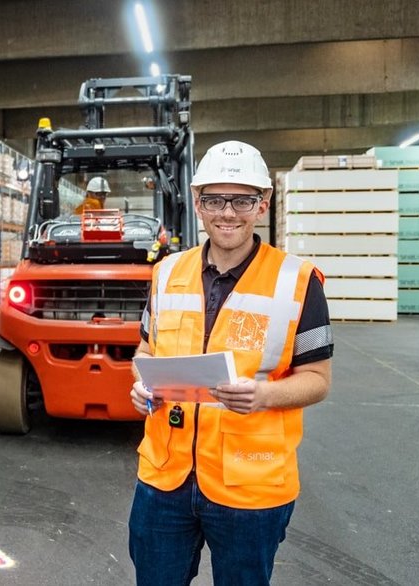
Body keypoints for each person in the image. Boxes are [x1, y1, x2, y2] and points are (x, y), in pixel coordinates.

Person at [128, 140, 333, 585]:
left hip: (251, 488)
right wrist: (141, 383)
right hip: (165, 480)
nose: (227, 213)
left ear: (263, 204)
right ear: (198, 204)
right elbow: (146, 351)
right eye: (214, 199)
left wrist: (265, 395)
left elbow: (317, 379)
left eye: (242, 200)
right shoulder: (165, 273)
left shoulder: (299, 281)